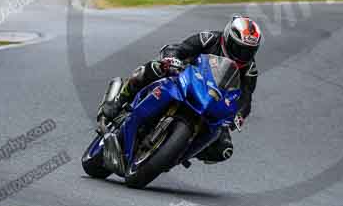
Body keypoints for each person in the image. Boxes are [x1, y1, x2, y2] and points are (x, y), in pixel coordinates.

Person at [99, 15, 262, 164]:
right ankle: (119, 99)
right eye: (239, 47)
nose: (243, 54)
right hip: (184, 77)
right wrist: (173, 59)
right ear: (227, 38)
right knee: (153, 69)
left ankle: (180, 149)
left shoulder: (249, 70)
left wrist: (238, 115)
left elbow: (245, 99)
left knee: (223, 149)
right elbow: (181, 48)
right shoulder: (210, 38)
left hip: (211, 102)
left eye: (248, 51)